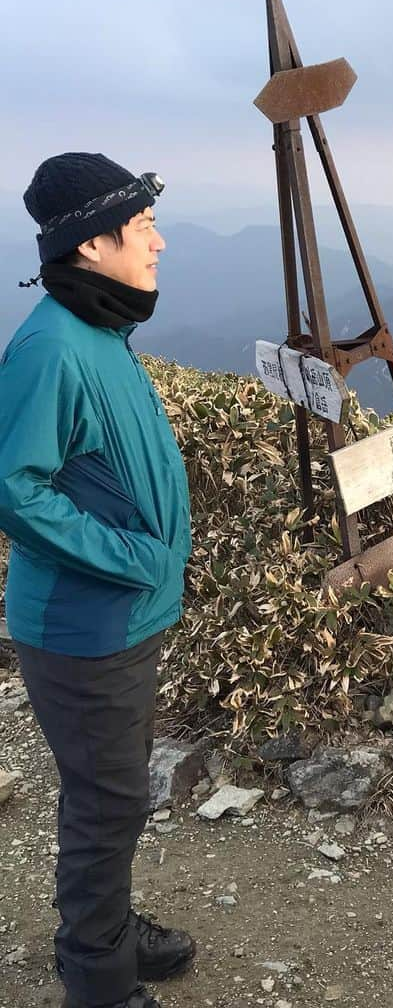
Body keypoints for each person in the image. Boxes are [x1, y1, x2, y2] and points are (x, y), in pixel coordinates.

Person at [0, 153, 196, 1008]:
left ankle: (104, 927)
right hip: (85, 630)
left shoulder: (100, 328)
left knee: (113, 793)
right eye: (142, 225)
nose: (158, 240)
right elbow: (14, 488)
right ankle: (98, 976)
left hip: (119, 617)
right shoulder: (52, 348)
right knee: (106, 801)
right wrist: (135, 559)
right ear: (91, 244)